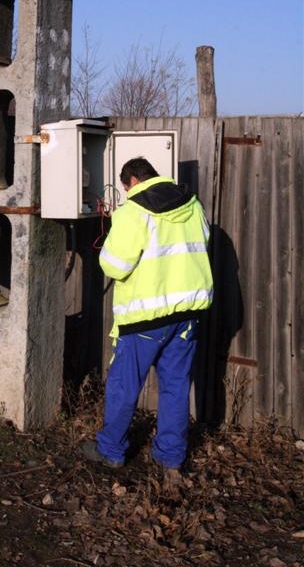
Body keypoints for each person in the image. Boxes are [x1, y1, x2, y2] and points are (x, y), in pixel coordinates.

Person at [82, 157, 213, 483]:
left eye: (126, 189)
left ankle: (111, 450)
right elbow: (202, 243)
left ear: (132, 183)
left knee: (125, 386)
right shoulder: (192, 204)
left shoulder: (133, 211)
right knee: (176, 388)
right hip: (186, 316)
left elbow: (114, 266)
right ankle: (170, 460)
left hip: (145, 318)